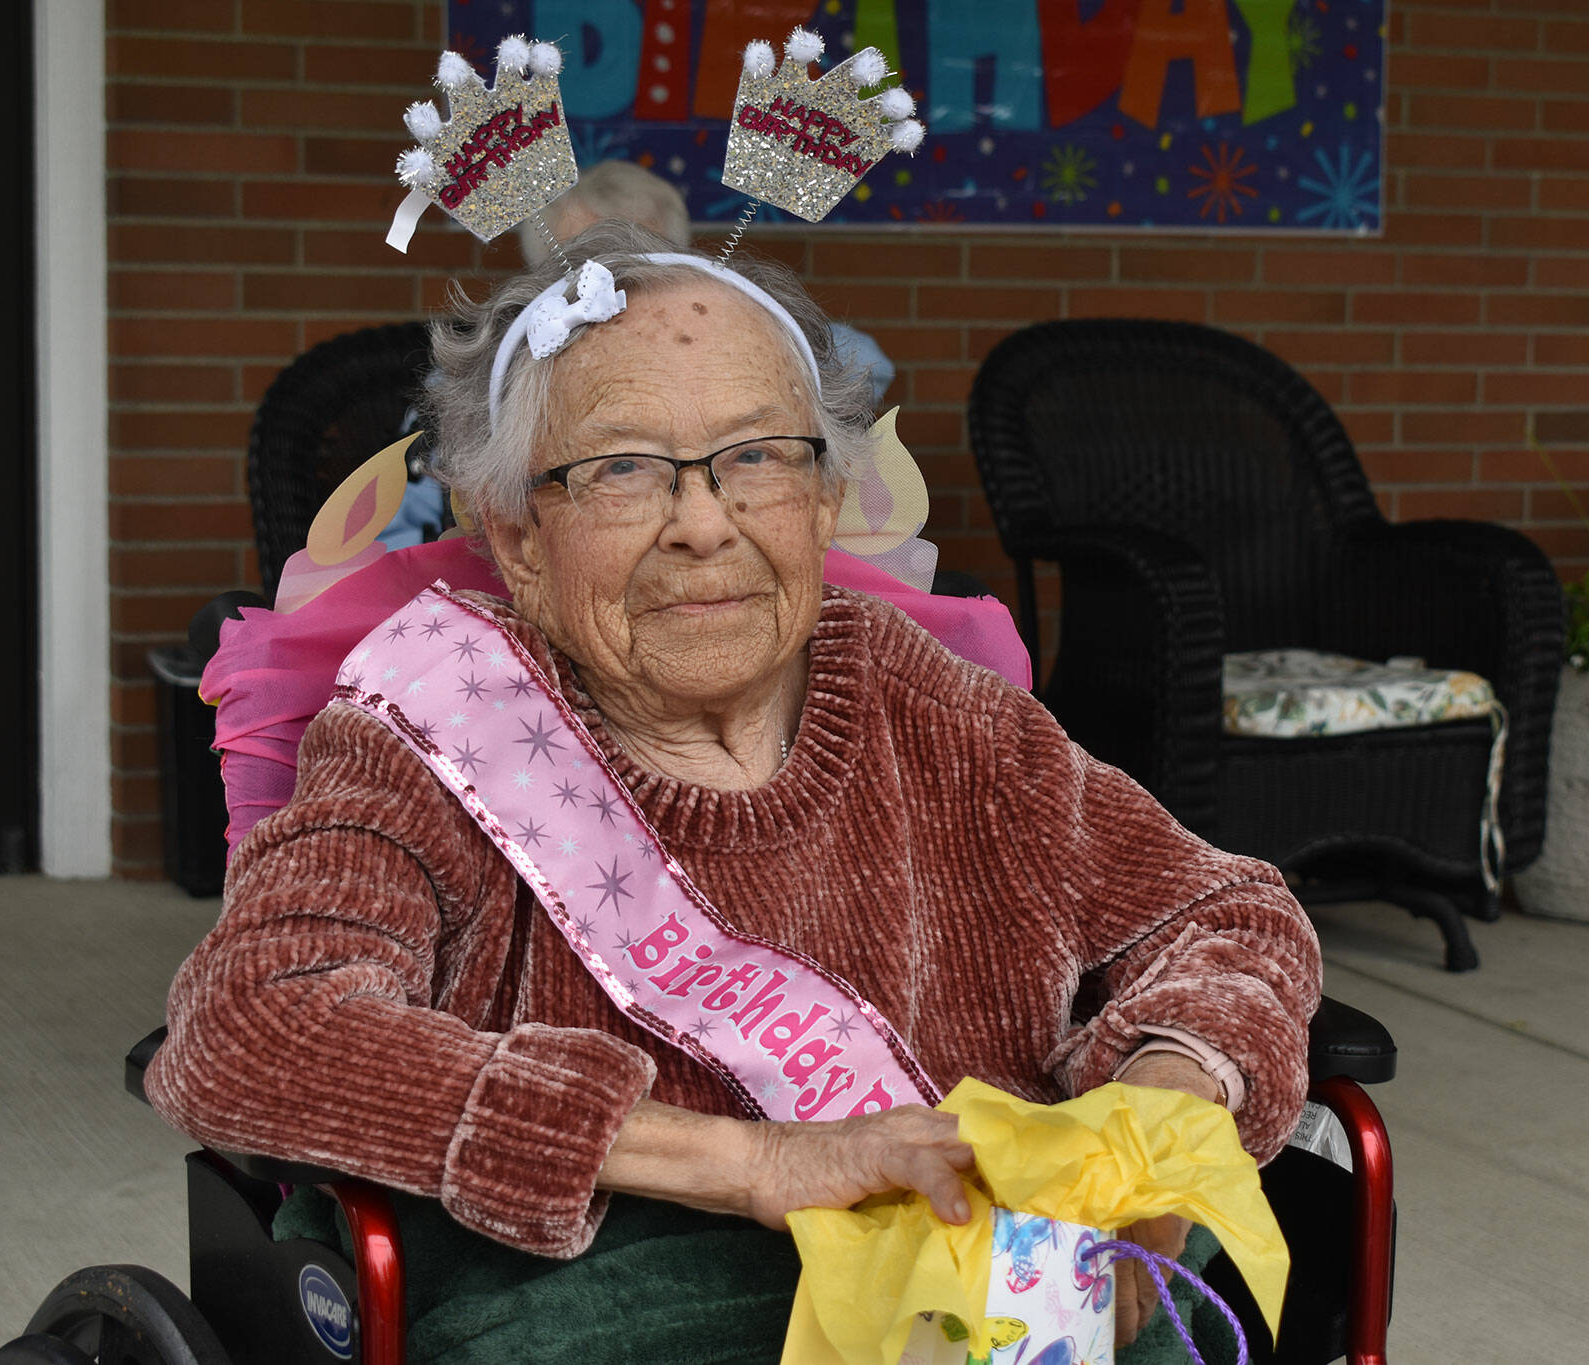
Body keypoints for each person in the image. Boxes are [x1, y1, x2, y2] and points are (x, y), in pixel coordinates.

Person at [147, 222, 1320, 1364]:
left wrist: (1159, 1113)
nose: (702, 526)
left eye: (755, 456)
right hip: (605, 1296)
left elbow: (1221, 917)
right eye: (619, 470)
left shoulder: (945, 713)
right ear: (513, 533)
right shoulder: (430, 731)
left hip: (998, 1294)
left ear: (820, 501)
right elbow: (249, 1030)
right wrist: (753, 1165)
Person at [524, 158, 897, 405]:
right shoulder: (521, 353)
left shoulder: (716, 326)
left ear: (680, 255)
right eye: (592, 257)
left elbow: (866, 364)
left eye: (640, 252)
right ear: (545, 270)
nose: (615, 277)